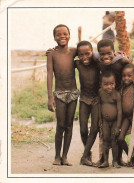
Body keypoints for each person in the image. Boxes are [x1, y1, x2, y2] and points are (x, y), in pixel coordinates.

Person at [47, 24, 79, 166]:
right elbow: (49, 75)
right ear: (54, 37)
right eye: (58, 34)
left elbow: (87, 52)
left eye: (65, 34)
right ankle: (56, 156)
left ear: (69, 35)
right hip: (59, 94)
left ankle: (65, 157)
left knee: (69, 125)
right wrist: (50, 97)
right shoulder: (52, 54)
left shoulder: (73, 52)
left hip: (73, 94)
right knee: (60, 125)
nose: (62, 36)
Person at [74, 41, 101, 166]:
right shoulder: (78, 64)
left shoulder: (97, 63)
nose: (84, 57)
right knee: (83, 129)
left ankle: (84, 156)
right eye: (81, 54)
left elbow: (109, 59)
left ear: (92, 52)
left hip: (96, 99)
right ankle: (88, 152)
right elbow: (65, 58)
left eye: (87, 53)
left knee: (94, 128)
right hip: (84, 99)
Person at [98, 71, 122, 168]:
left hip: (115, 121)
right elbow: (99, 106)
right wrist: (99, 119)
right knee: (105, 139)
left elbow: (120, 111)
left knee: (114, 140)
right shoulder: (100, 93)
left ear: (115, 84)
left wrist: (118, 126)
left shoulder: (116, 95)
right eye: (106, 84)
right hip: (105, 121)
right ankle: (105, 161)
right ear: (101, 84)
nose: (109, 87)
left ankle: (115, 161)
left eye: (111, 84)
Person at [117, 63, 134, 166]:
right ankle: (129, 155)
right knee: (120, 138)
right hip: (125, 117)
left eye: (129, 76)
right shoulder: (121, 88)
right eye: (124, 75)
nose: (126, 78)